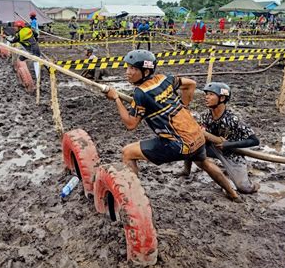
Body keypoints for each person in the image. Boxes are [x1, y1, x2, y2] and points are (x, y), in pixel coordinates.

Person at [104, 50, 240, 201]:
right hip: (197, 136)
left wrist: (116, 98)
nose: (127, 72)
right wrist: (184, 106)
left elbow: (130, 124)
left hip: (179, 145)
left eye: (133, 69)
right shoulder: (164, 79)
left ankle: (135, 199)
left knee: (127, 152)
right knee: (204, 163)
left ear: (146, 71)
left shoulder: (140, 93)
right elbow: (191, 85)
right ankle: (232, 193)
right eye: (127, 67)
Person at [180, 82, 260, 194]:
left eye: (211, 94)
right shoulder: (205, 115)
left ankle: (256, 185)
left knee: (244, 189)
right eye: (206, 94)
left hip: (231, 153)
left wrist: (229, 144)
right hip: (213, 147)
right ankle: (186, 171)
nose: (206, 97)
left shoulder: (233, 119)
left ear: (222, 98)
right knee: (190, 143)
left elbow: (255, 141)